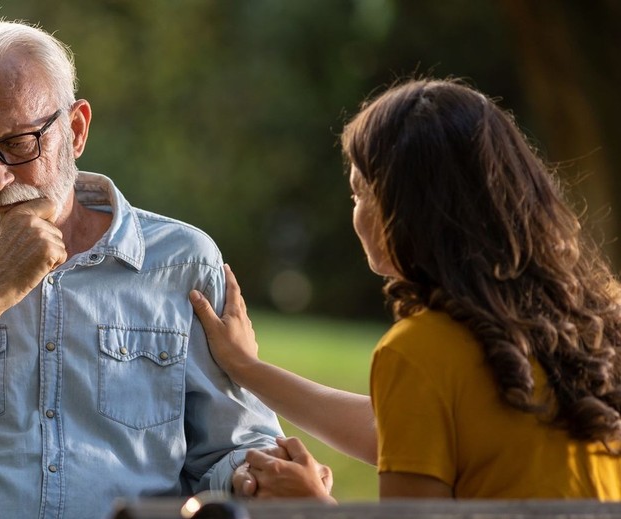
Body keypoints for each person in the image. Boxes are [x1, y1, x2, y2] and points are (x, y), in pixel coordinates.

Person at [0, 19, 295, 519]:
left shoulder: (181, 262)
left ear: (76, 129)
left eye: (18, 144)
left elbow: (231, 449)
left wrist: (254, 476)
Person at [191, 77, 621, 499]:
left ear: (408, 210)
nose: (355, 214)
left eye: (360, 193)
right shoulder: (593, 327)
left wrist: (312, 506)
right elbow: (405, 428)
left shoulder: (419, 352)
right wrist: (247, 370)